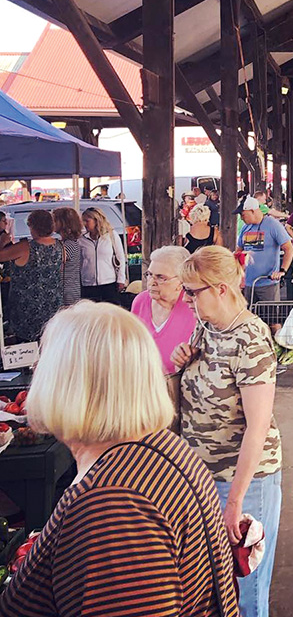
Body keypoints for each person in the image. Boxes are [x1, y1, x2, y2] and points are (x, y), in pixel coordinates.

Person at [0, 303, 239, 617]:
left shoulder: (112, 504)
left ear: (68, 385)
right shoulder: (159, 447)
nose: (36, 373)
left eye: (44, 363)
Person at [173, 246, 283, 617]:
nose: (185, 299)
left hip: (243, 483)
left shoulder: (250, 338)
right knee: (216, 591)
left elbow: (258, 426)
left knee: (246, 592)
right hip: (203, 478)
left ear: (221, 288)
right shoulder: (205, 327)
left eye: (192, 291)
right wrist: (182, 364)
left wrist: (235, 501)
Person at [131, 246, 197, 375]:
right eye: (150, 275)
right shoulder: (140, 301)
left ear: (181, 281)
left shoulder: (193, 308)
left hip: (178, 385)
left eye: (161, 277)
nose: (151, 282)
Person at [0, 210, 63, 342]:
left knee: (27, 342)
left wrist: (2, 241)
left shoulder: (25, 247)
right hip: (52, 301)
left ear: (33, 226)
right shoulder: (59, 245)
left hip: (27, 305)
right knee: (49, 340)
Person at [236, 195, 293, 304]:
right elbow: (239, 251)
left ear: (252, 211)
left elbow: (289, 248)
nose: (241, 218)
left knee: (271, 317)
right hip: (248, 284)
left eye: (243, 214)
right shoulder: (245, 228)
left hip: (267, 282)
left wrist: (282, 271)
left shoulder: (273, 225)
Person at [79, 207, 127, 304]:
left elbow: (121, 258)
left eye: (87, 221)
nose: (84, 224)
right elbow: (80, 261)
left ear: (96, 221)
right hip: (88, 284)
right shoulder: (82, 239)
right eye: (83, 221)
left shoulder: (111, 235)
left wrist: (121, 279)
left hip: (109, 282)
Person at [52, 207, 83, 307]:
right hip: (67, 289)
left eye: (55, 220)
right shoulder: (67, 243)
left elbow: (55, 260)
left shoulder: (69, 245)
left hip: (68, 291)